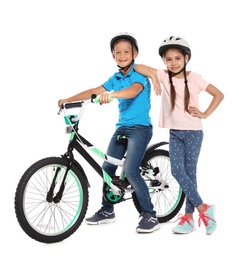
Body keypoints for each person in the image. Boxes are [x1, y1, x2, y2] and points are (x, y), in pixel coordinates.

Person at [58, 32, 161, 233]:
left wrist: (112, 95)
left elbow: (132, 91)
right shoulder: (115, 78)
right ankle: (107, 210)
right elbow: (94, 90)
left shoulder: (139, 75)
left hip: (140, 129)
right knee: (107, 169)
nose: (122, 55)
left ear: (135, 54)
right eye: (118, 52)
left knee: (130, 171)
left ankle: (149, 214)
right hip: (121, 128)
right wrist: (67, 99)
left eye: (126, 52)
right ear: (113, 56)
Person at [134, 36, 224, 235]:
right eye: (168, 59)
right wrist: (155, 77)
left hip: (193, 133)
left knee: (189, 175)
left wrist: (205, 113)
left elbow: (219, 94)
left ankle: (190, 218)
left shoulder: (195, 78)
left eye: (177, 58)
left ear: (186, 58)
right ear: (164, 61)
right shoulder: (164, 75)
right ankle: (204, 210)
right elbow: (139, 66)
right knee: (178, 172)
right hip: (175, 133)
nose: (173, 63)